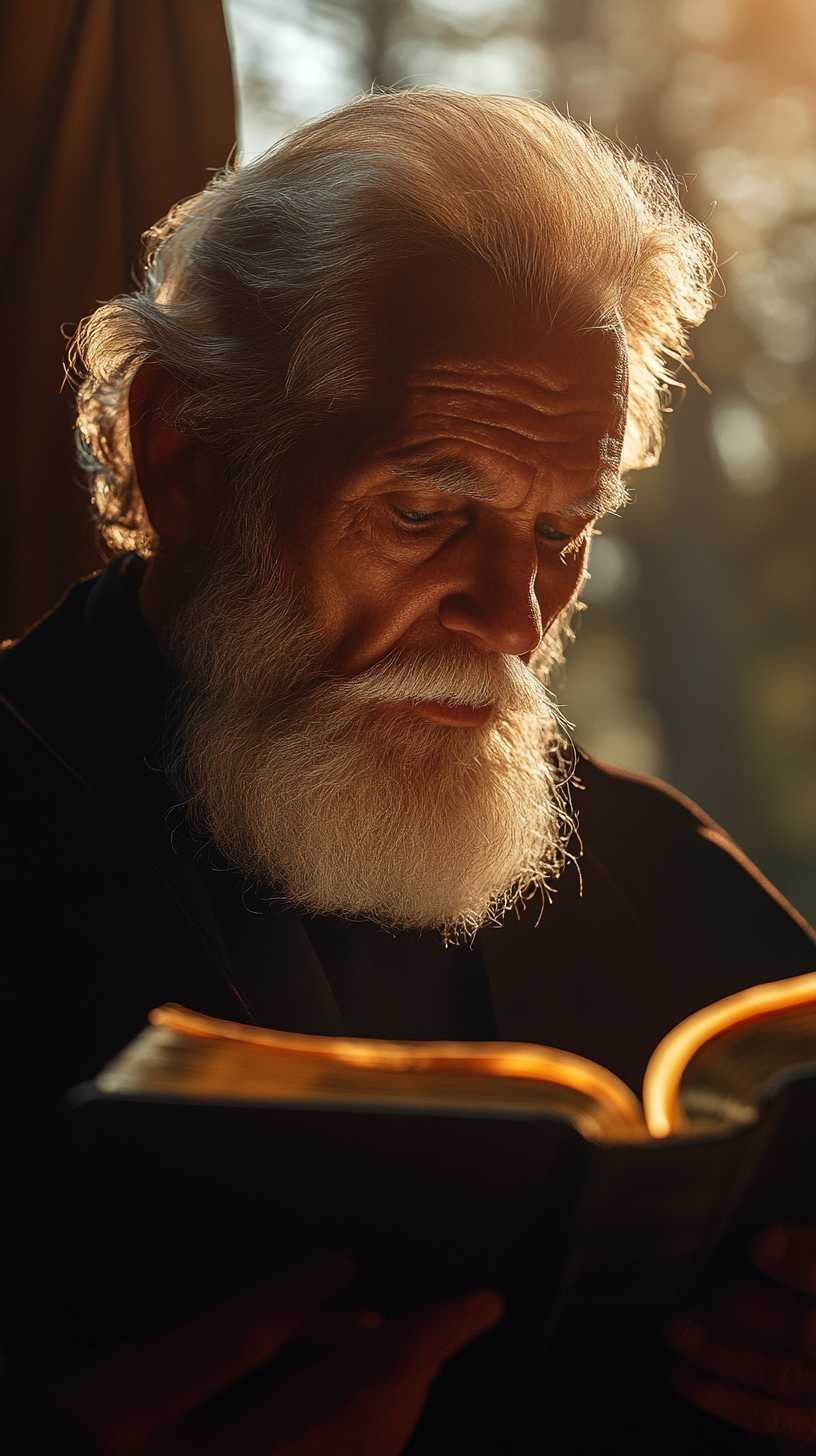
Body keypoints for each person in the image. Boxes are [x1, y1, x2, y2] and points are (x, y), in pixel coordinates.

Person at [1, 90, 814, 1455]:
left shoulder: (655, 874)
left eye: (563, 528)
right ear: (185, 454)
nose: (513, 615)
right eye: (427, 510)